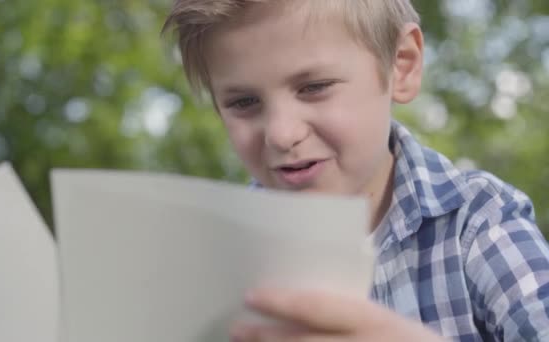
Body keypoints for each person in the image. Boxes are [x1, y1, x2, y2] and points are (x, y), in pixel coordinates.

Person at [162, 1, 549, 340]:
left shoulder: (477, 222)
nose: (281, 134)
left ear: (402, 65)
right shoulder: (219, 255)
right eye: (244, 101)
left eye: (314, 86)